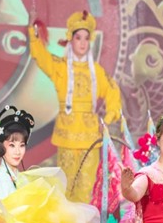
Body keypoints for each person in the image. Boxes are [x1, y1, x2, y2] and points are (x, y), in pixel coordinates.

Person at [27, 10, 122, 202]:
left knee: (87, 186)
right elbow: (41, 56)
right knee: (67, 185)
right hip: (68, 136)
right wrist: (33, 33)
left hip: (90, 137)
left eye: (86, 38)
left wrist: (109, 116)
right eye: (78, 38)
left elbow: (112, 90)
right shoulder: (60, 67)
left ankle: (87, 220)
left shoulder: (96, 71)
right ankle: (68, 220)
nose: (82, 43)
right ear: (71, 39)